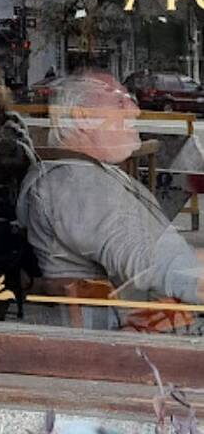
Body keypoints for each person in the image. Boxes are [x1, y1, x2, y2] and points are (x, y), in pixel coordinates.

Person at [16, 68, 204, 329]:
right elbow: (156, 267)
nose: (134, 110)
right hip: (139, 342)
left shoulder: (78, 175)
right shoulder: (79, 184)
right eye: (119, 101)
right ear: (83, 118)